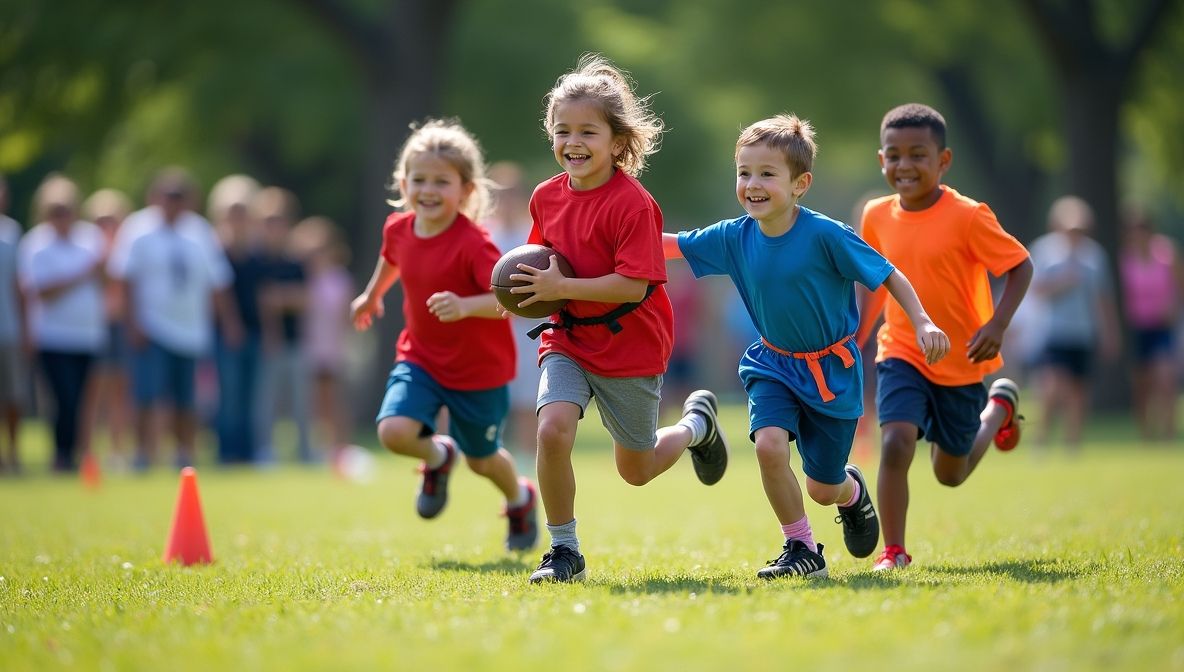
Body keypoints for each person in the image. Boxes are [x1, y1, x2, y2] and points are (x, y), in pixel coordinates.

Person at [665, 114, 949, 579]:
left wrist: (923, 321)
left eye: (767, 174)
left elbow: (889, 274)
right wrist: (597, 247)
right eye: (744, 172)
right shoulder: (735, 236)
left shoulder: (826, 235)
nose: (752, 184)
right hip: (772, 364)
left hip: (832, 374)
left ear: (801, 184)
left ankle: (851, 494)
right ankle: (801, 548)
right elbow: (673, 246)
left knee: (823, 486)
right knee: (769, 446)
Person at [504, 54, 729, 584]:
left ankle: (696, 426)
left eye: (587, 131)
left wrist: (560, 287)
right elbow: (542, 262)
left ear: (617, 140)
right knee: (553, 429)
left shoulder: (634, 205)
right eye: (563, 130)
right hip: (568, 339)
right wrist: (523, 291)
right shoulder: (544, 196)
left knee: (637, 470)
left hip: (631, 344)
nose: (573, 142)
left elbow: (633, 284)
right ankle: (563, 551)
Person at [857, 103, 1033, 572]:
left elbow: (1020, 266)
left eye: (918, 155)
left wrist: (996, 326)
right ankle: (893, 551)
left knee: (949, 473)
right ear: (881, 161)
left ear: (944, 161)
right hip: (900, 350)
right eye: (894, 156)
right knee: (896, 441)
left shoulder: (969, 216)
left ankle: (997, 411)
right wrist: (858, 337)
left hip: (961, 360)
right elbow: (875, 279)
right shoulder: (875, 215)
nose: (905, 166)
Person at [350, 118, 539, 552]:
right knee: (394, 431)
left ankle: (519, 499)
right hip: (420, 358)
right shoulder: (398, 228)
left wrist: (465, 305)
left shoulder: (475, 244)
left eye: (442, 181)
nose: (428, 190)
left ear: (466, 190)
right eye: (419, 180)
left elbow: (507, 302)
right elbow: (392, 258)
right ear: (403, 182)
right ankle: (438, 456)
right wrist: (371, 294)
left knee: (483, 460)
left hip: (479, 372)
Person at [107, 167, 241, 470]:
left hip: (191, 330)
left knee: (186, 399)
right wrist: (132, 322)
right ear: (155, 197)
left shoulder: (200, 231)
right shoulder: (138, 229)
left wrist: (230, 322)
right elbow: (124, 279)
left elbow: (218, 282)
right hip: (151, 326)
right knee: (147, 394)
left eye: (179, 197)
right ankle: (143, 452)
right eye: (168, 196)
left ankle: (184, 454)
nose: (173, 203)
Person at [18, 175, 107, 473]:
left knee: (82, 403)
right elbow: (43, 292)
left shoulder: (90, 238)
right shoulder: (36, 244)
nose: (62, 217)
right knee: (63, 400)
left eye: (67, 209)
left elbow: (106, 278)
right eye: (56, 210)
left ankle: (78, 453)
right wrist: (82, 273)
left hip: (88, 335)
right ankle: (62, 454)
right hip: (53, 337)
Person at [1028, 196, 1119, 452]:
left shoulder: (1095, 256)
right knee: (1051, 387)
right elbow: (1035, 290)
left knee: (1079, 391)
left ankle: (1072, 444)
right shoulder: (1044, 251)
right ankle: (1041, 441)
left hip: (1083, 332)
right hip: (1053, 331)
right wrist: (1063, 283)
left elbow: (1103, 299)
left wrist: (1110, 333)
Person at [481, 161, 543, 460]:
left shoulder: (532, 235)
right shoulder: (485, 235)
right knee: (490, 399)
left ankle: (527, 460)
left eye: (511, 194)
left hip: (529, 332)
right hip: (491, 330)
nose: (505, 202)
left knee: (527, 401)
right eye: (499, 195)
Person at [207, 174, 266, 465]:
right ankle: (227, 452)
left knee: (250, 397)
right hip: (225, 334)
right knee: (228, 396)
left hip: (254, 333)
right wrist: (230, 325)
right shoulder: (214, 250)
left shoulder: (257, 252)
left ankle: (247, 452)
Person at [253, 187, 314, 464]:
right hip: (267, 343)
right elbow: (261, 302)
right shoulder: (257, 262)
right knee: (266, 402)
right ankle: (266, 450)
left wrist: (281, 298)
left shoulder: (295, 263)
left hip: (296, 341)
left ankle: (305, 451)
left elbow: (304, 299)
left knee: (301, 402)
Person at [290, 215, 355, 462]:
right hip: (308, 346)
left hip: (332, 347)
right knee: (312, 402)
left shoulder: (339, 278)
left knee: (334, 400)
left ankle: (340, 447)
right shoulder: (305, 278)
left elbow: (344, 316)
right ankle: (316, 449)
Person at [81, 188, 134, 471]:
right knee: (94, 392)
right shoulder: (86, 249)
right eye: (101, 220)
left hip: (120, 325)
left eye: (112, 220)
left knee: (120, 392)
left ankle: (117, 451)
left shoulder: (128, 249)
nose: (107, 226)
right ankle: (89, 452)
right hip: (93, 327)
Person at [1119, 208, 1181, 442]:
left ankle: (1168, 432)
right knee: (1141, 385)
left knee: (1165, 379)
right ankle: (1146, 433)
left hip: (1161, 326)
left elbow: (1179, 287)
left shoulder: (1166, 254)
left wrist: (1173, 309)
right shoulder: (1125, 260)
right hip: (1137, 327)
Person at [0, 175, 28, 474]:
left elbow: (19, 286)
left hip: (8, 328)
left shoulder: (11, 232)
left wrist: (26, 328)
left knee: (13, 395)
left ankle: (13, 453)